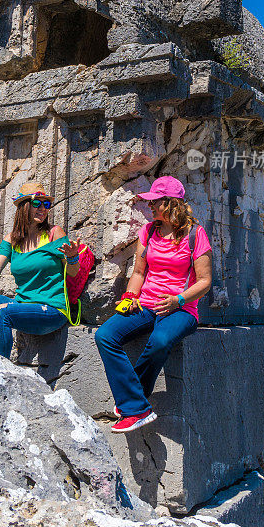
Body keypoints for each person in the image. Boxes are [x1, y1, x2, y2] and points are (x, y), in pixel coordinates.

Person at [95, 175, 212, 433]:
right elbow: (138, 272)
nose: (150, 206)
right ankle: (137, 405)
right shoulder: (147, 231)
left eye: (154, 202)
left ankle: (132, 402)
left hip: (182, 309)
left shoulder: (196, 234)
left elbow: (204, 281)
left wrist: (178, 299)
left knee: (160, 341)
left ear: (170, 203)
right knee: (105, 335)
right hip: (146, 303)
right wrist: (130, 297)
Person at [0, 182, 80, 358]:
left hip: (52, 309)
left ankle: (2, 371)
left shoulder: (54, 233)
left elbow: (73, 272)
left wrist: (72, 257)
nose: (43, 208)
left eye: (46, 204)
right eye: (36, 204)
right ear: (24, 207)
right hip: (23, 306)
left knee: (0, 312)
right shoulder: (12, 239)